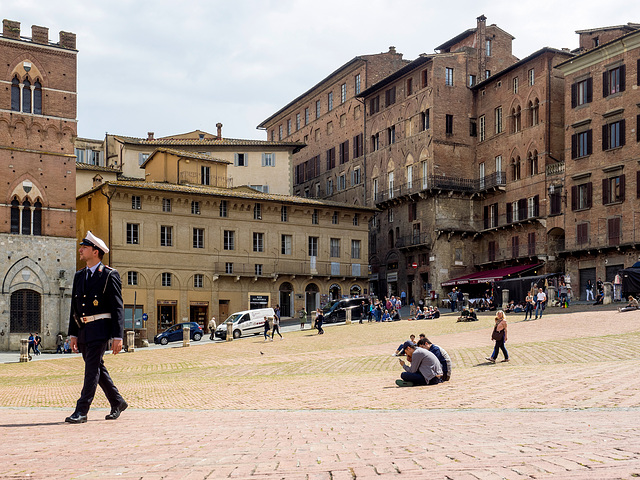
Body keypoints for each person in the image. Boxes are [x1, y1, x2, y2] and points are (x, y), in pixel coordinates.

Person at [65, 231, 127, 424]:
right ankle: (117, 401)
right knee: (97, 368)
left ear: (95, 251)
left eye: (84, 247)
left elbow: (117, 306)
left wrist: (118, 336)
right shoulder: (79, 276)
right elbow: (74, 307)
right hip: (83, 330)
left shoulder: (109, 275)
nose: (80, 250)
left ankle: (81, 410)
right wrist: (73, 334)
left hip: (101, 329)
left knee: (91, 370)